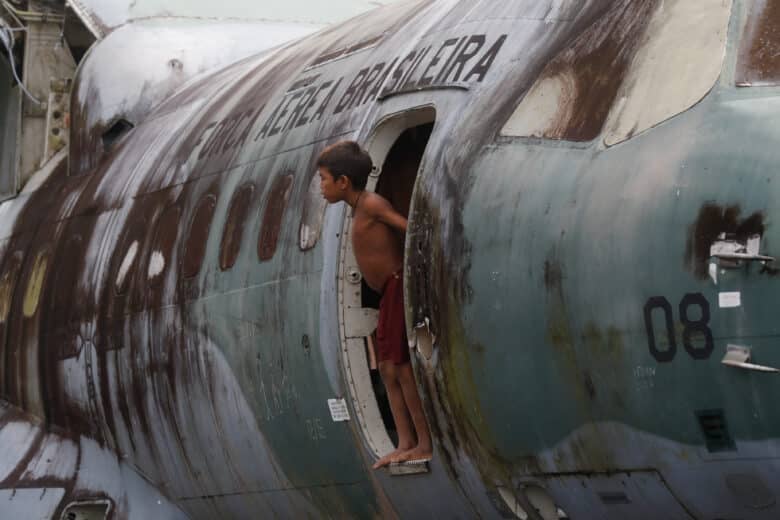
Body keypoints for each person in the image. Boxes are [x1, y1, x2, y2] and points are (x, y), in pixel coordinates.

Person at [317, 140, 432, 469]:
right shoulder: (358, 208)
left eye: (323, 179)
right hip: (386, 294)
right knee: (385, 368)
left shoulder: (371, 204)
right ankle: (404, 442)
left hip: (395, 286)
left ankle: (422, 442)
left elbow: (409, 227)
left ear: (343, 182)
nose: (321, 187)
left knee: (402, 369)